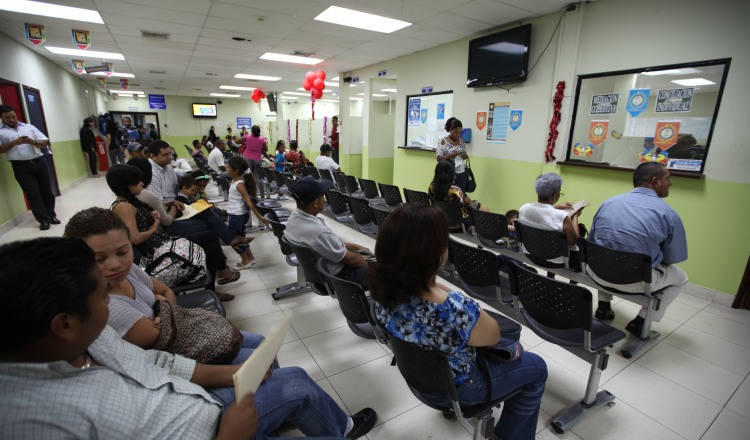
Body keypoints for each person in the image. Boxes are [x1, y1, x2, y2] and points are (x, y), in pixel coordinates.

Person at [0, 237, 377, 439]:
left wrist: (233, 375)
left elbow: (156, 362)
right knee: (294, 384)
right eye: (101, 296)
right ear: (63, 324)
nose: (110, 297)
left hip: (199, 403)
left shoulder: (90, 339)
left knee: (287, 375)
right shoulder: (36, 422)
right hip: (213, 430)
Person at [368, 204, 547, 440]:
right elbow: (492, 336)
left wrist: (432, 286)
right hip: (459, 387)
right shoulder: (452, 307)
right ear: (437, 255)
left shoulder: (380, 292)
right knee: (537, 367)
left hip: (419, 382)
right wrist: (461, 301)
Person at [105, 164, 241, 296]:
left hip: (163, 243)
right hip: (157, 252)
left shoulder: (129, 203)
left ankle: (213, 285)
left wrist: (151, 217)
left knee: (210, 241)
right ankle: (217, 280)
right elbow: (134, 238)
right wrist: (153, 227)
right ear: (126, 185)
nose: (141, 183)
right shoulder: (124, 207)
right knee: (210, 237)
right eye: (137, 181)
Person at [587, 162, 688, 334]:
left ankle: (603, 306)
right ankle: (643, 320)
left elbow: (593, 243)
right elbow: (671, 259)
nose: (670, 183)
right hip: (635, 282)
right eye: (667, 179)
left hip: (596, 273)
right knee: (681, 278)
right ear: (655, 181)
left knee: (606, 253)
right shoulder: (668, 214)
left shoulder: (608, 203)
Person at [285, 177, 370, 288]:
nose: (324, 200)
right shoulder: (318, 232)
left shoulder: (293, 219)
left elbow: (331, 243)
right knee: (387, 272)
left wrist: (354, 245)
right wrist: (371, 267)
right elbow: (353, 260)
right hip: (338, 278)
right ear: (315, 202)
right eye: (323, 197)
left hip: (320, 273)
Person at [0, 104, 58, 230]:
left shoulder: (29, 127)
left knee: (47, 192)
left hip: (39, 162)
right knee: (33, 194)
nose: (12, 119)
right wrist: (14, 143)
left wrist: (34, 142)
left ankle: (51, 215)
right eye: (8, 118)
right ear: (2, 118)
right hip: (21, 166)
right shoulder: (1, 132)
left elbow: (45, 141)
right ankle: (43, 220)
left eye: (13, 116)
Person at [518, 173, 583, 270]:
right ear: (555, 195)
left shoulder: (524, 208)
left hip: (530, 253)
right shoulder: (562, 217)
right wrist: (575, 216)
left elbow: (542, 213)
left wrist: (556, 207)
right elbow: (573, 241)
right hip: (556, 261)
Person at [225, 157, 271, 269]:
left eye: (228, 168)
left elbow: (249, 202)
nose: (226, 169)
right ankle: (250, 258)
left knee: (235, 240)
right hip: (236, 214)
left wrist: (260, 216)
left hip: (238, 215)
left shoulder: (239, 184)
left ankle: (245, 261)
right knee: (241, 238)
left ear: (235, 170)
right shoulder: (235, 180)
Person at [428, 159, 488, 231]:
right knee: (485, 209)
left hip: (441, 221)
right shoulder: (455, 190)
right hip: (458, 225)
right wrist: (478, 204)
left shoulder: (432, 187)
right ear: (450, 173)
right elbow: (470, 203)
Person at [436, 117, 469, 192]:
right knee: (449, 196)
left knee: (461, 195)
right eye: (456, 132)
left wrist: (464, 155)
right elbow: (439, 159)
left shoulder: (461, 142)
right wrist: (451, 155)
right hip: (448, 174)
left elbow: (465, 156)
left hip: (461, 173)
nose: (458, 135)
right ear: (450, 130)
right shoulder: (443, 142)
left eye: (460, 133)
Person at [241, 125, 268, 198]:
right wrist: (258, 148)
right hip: (257, 158)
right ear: (259, 131)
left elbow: (236, 141)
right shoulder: (262, 139)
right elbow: (266, 149)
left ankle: (252, 194)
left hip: (247, 158)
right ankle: (262, 196)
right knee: (259, 177)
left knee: (250, 176)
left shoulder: (247, 137)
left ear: (252, 131)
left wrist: (245, 143)